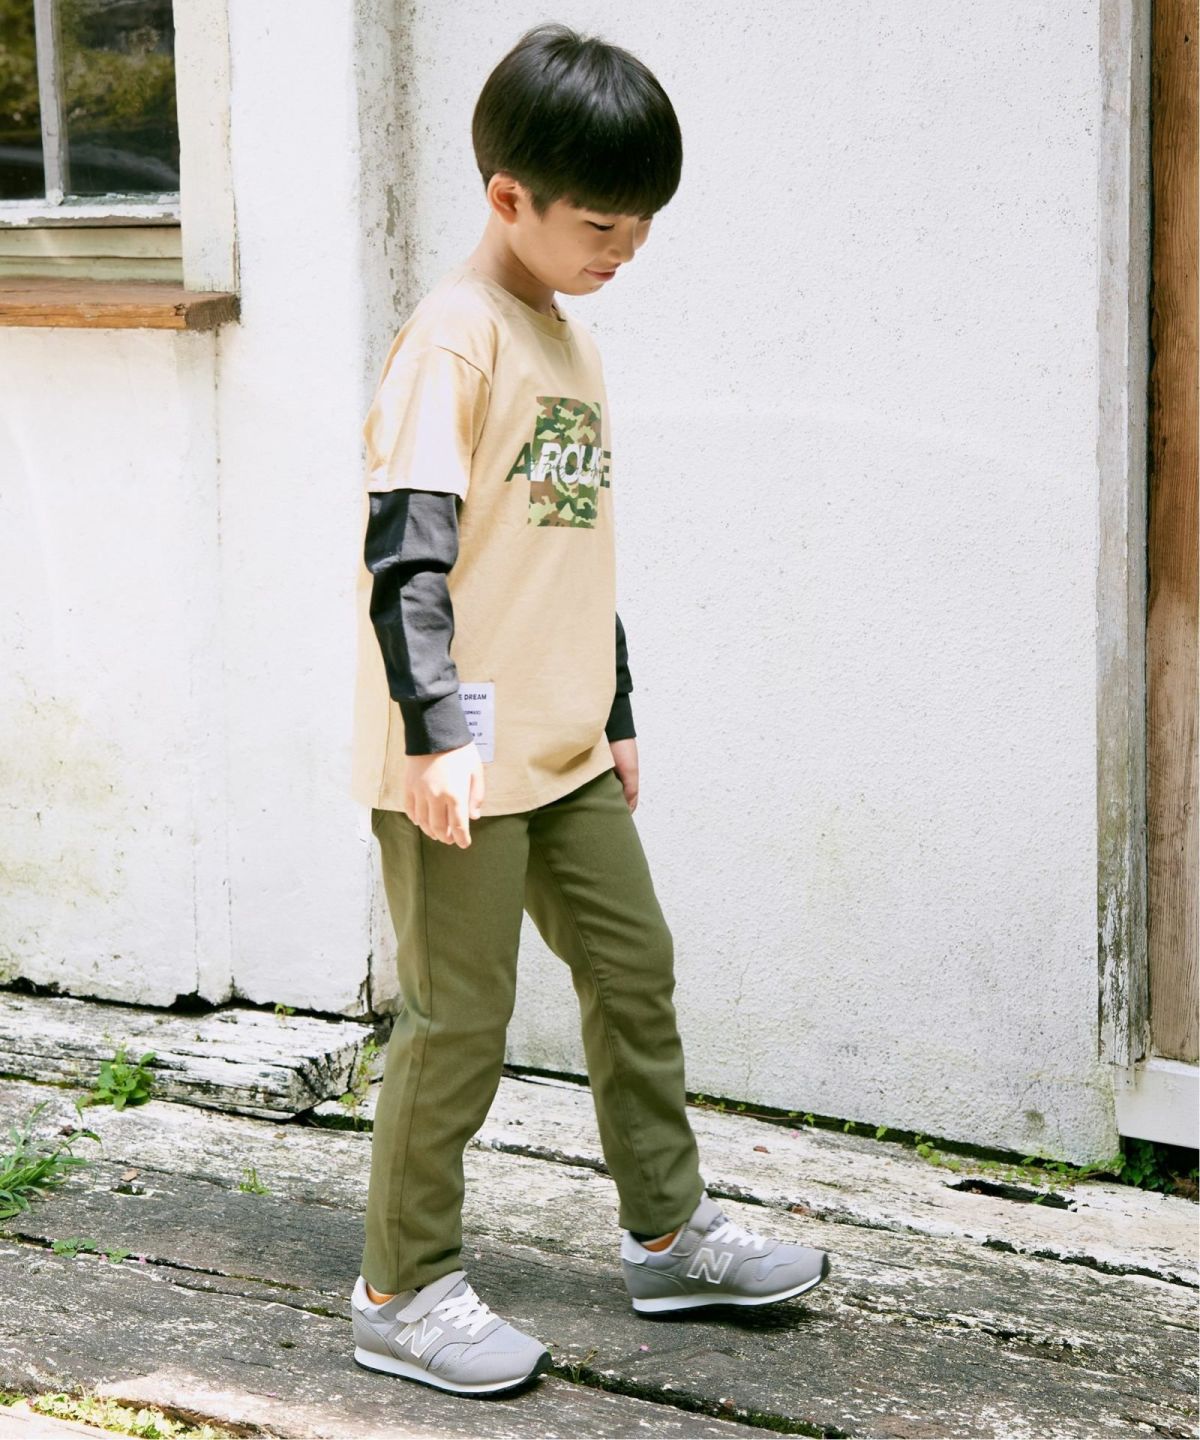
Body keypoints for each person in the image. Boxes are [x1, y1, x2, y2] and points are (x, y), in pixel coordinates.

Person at [347, 22, 831, 1399]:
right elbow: (407, 559)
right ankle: (400, 1290)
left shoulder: (569, 341)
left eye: (644, 224)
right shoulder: (457, 339)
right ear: (510, 197)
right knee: (459, 1018)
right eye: (602, 224)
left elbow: (572, 548)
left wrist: (614, 705)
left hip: (562, 748)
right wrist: (436, 733)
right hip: (461, 752)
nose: (627, 249)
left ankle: (668, 1236)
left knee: (633, 970)